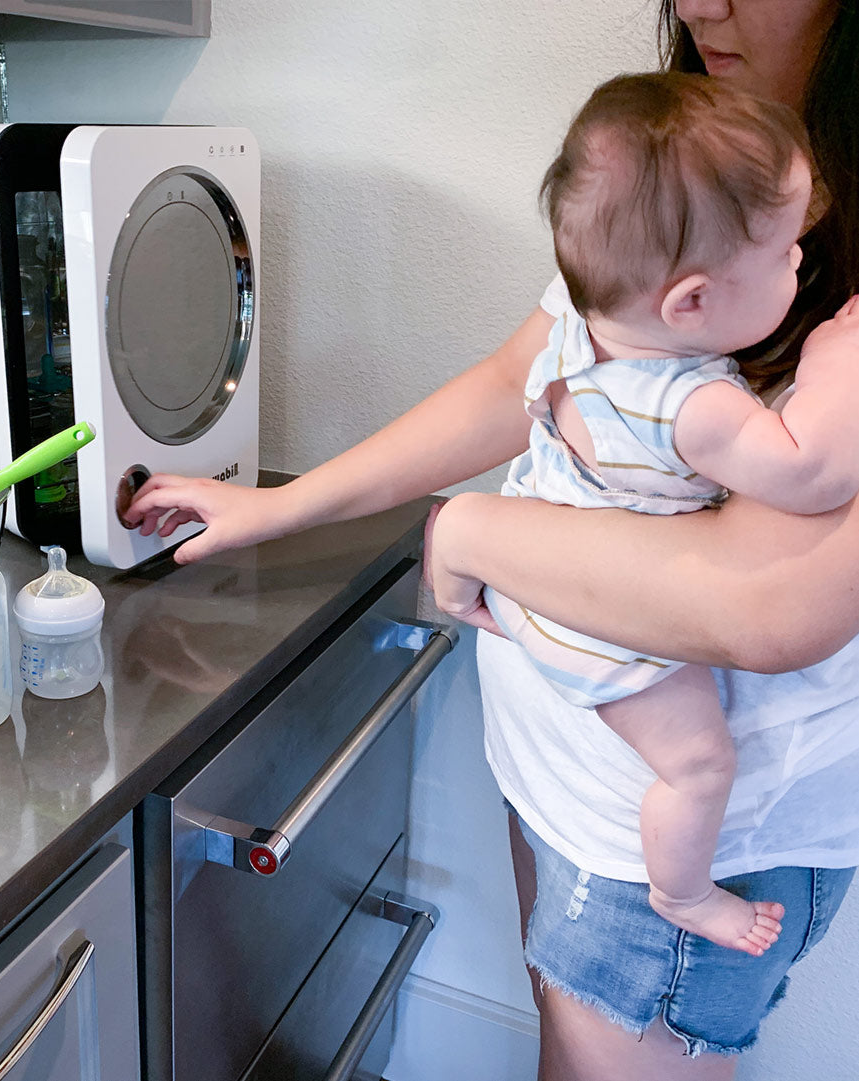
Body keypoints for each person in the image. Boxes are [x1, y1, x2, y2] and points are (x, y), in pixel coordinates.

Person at [124, 2, 859, 1077]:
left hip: (682, 844)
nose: (701, 4)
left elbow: (770, 601)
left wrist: (472, 529)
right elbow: (515, 377)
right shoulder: (670, 185)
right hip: (576, 773)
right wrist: (281, 503)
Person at [479, 69, 859, 959]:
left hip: (543, 591)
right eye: (782, 256)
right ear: (689, 301)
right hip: (614, 641)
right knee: (697, 765)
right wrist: (836, 361)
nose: (799, 263)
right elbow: (807, 472)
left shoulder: (584, 332)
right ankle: (684, 892)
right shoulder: (690, 405)